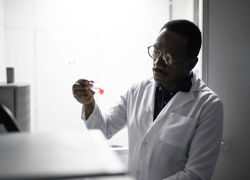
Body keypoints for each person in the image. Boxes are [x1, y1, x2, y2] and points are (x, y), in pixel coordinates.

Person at [72, 19, 223, 180]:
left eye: (168, 58)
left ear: (190, 64)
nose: (157, 63)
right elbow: (104, 131)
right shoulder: (137, 91)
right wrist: (89, 104)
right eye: (156, 52)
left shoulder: (208, 105)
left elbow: (196, 175)